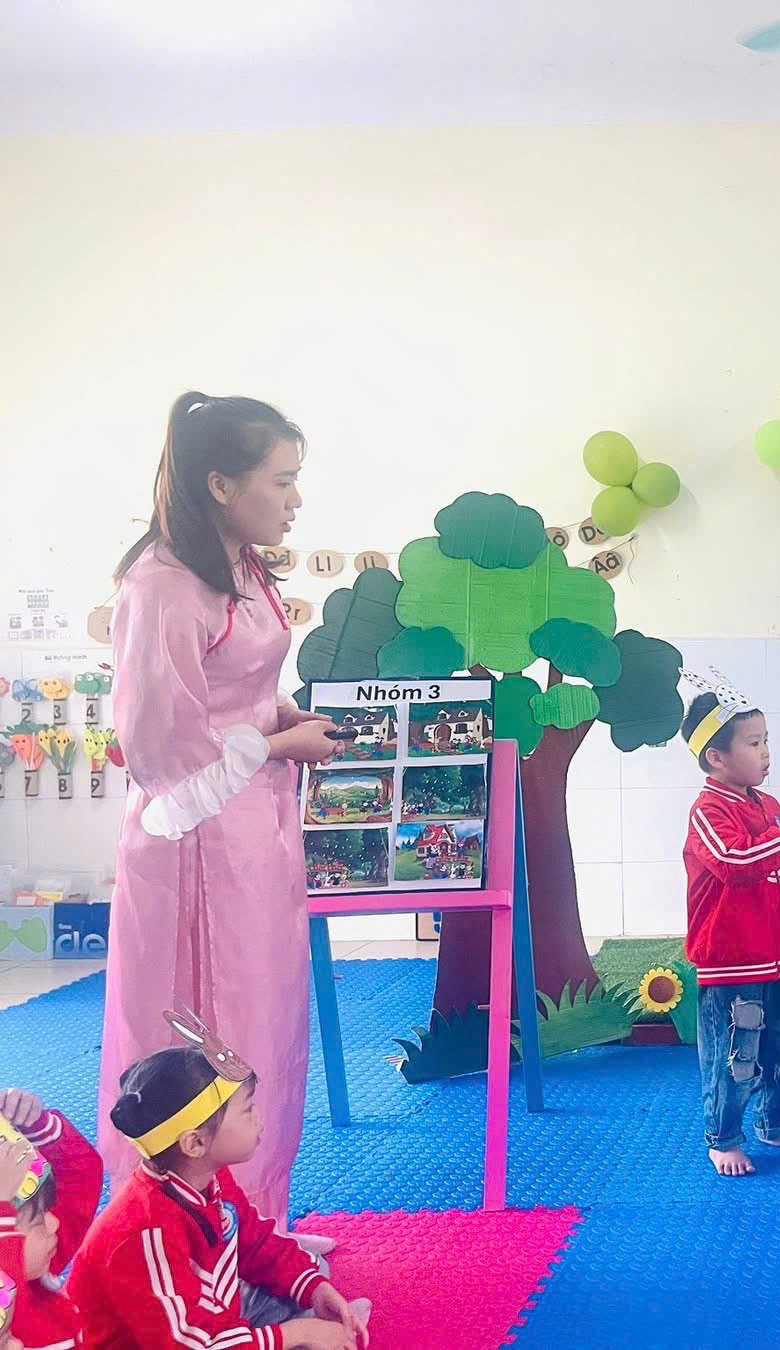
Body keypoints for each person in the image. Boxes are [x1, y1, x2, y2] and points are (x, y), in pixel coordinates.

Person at [101, 393, 343, 1224]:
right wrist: (276, 744)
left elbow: (226, 696)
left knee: (264, 1019)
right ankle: (180, 1232)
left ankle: (258, 1225)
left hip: (251, 830)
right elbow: (162, 749)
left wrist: (279, 720)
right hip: (193, 845)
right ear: (220, 484)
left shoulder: (240, 566)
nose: (295, 500)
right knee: (206, 1029)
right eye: (282, 480)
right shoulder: (163, 586)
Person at [70, 1020, 369, 1350]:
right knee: (295, 1322)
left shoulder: (207, 1177)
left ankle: (307, 1327)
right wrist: (297, 1334)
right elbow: (185, 1345)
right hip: (167, 1342)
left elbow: (253, 1241)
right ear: (195, 1142)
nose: (259, 1117)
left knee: (310, 1269)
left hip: (200, 1313)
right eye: (247, 1109)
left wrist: (314, 1289)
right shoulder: (145, 1233)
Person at [678, 669, 780, 1177]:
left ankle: (774, 1122)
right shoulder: (708, 812)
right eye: (753, 743)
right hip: (730, 968)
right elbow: (737, 862)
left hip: (778, 962)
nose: (766, 752)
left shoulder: (768, 805)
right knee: (735, 1059)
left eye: (766, 740)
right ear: (716, 757)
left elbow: (778, 867)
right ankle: (723, 1138)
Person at [0, 1088, 103, 1350]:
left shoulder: (35, 1270)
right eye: (36, 1220)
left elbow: (79, 1178)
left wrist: (37, 1125)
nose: (55, 1222)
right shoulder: (10, 1328)